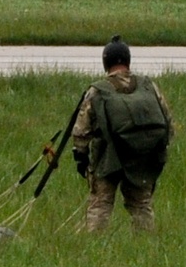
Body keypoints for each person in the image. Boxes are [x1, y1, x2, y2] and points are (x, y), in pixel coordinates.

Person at [71, 36, 174, 233]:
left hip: (109, 159)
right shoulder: (148, 86)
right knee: (141, 205)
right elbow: (167, 121)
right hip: (143, 157)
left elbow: (81, 131)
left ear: (106, 62)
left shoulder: (98, 90)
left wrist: (81, 157)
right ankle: (145, 246)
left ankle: (93, 248)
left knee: (101, 205)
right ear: (128, 60)